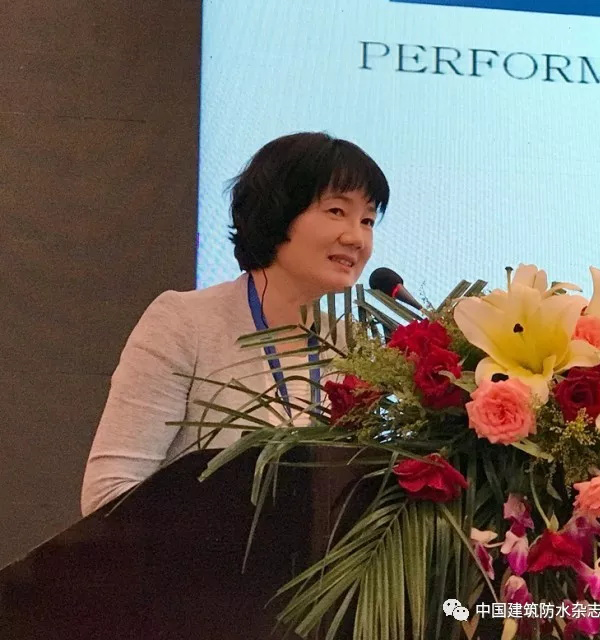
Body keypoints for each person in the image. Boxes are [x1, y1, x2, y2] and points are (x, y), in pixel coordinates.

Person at [81, 131, 389, 515]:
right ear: (278, 211)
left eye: (368, 220)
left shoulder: (354, 347)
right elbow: (108, 495)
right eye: (337, 212)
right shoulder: (184, 324)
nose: (357, 238)